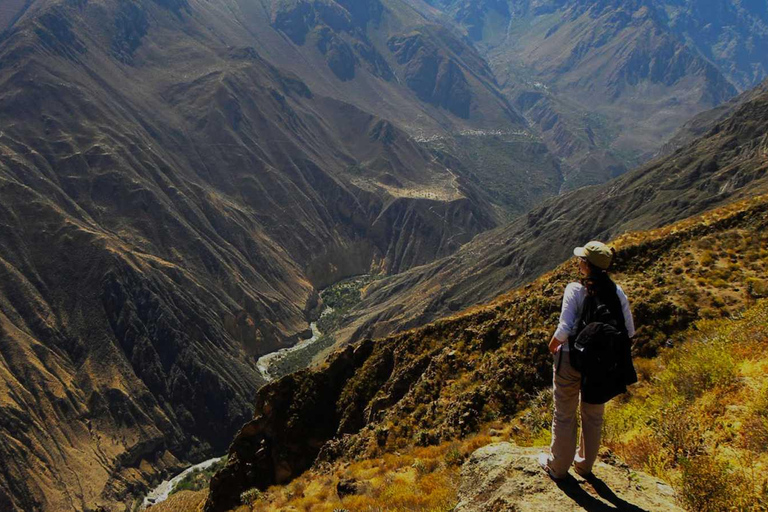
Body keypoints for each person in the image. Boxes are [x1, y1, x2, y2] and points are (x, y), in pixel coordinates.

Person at [538, 241, 635, 480]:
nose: (578, 263)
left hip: (571, 358)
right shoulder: (616, 292)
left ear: (586, 265)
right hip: (600, 364)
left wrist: (552, 347)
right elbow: (629, 331)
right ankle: (584, 465)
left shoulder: (574, 289)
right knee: (593, 415)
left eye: (581, 260)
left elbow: (564, 328)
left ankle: (558, 467)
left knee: (564, 413)